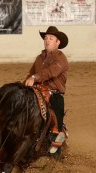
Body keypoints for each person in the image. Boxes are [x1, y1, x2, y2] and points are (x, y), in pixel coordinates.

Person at [24, 26, 69, 158]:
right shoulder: (39, 58)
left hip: (54, 94)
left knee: (56, 117)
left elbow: (51, 72)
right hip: (37, 92)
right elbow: (30, 74)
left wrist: (34, 78)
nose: (47, 40)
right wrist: (26, 83)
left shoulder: (61, 58)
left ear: (58, 42)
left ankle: (56, 150)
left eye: (51, 38)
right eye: (45, 38)